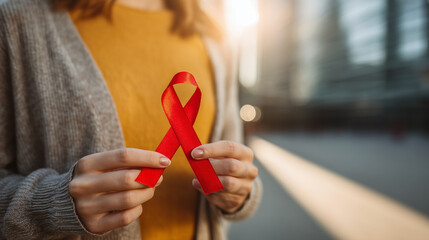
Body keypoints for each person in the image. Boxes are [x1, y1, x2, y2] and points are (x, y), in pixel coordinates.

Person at [0, 0, 262, 239]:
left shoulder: (214, 36)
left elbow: (234, 169)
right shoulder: (16, 20)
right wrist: (52, 203)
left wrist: (240, 194)